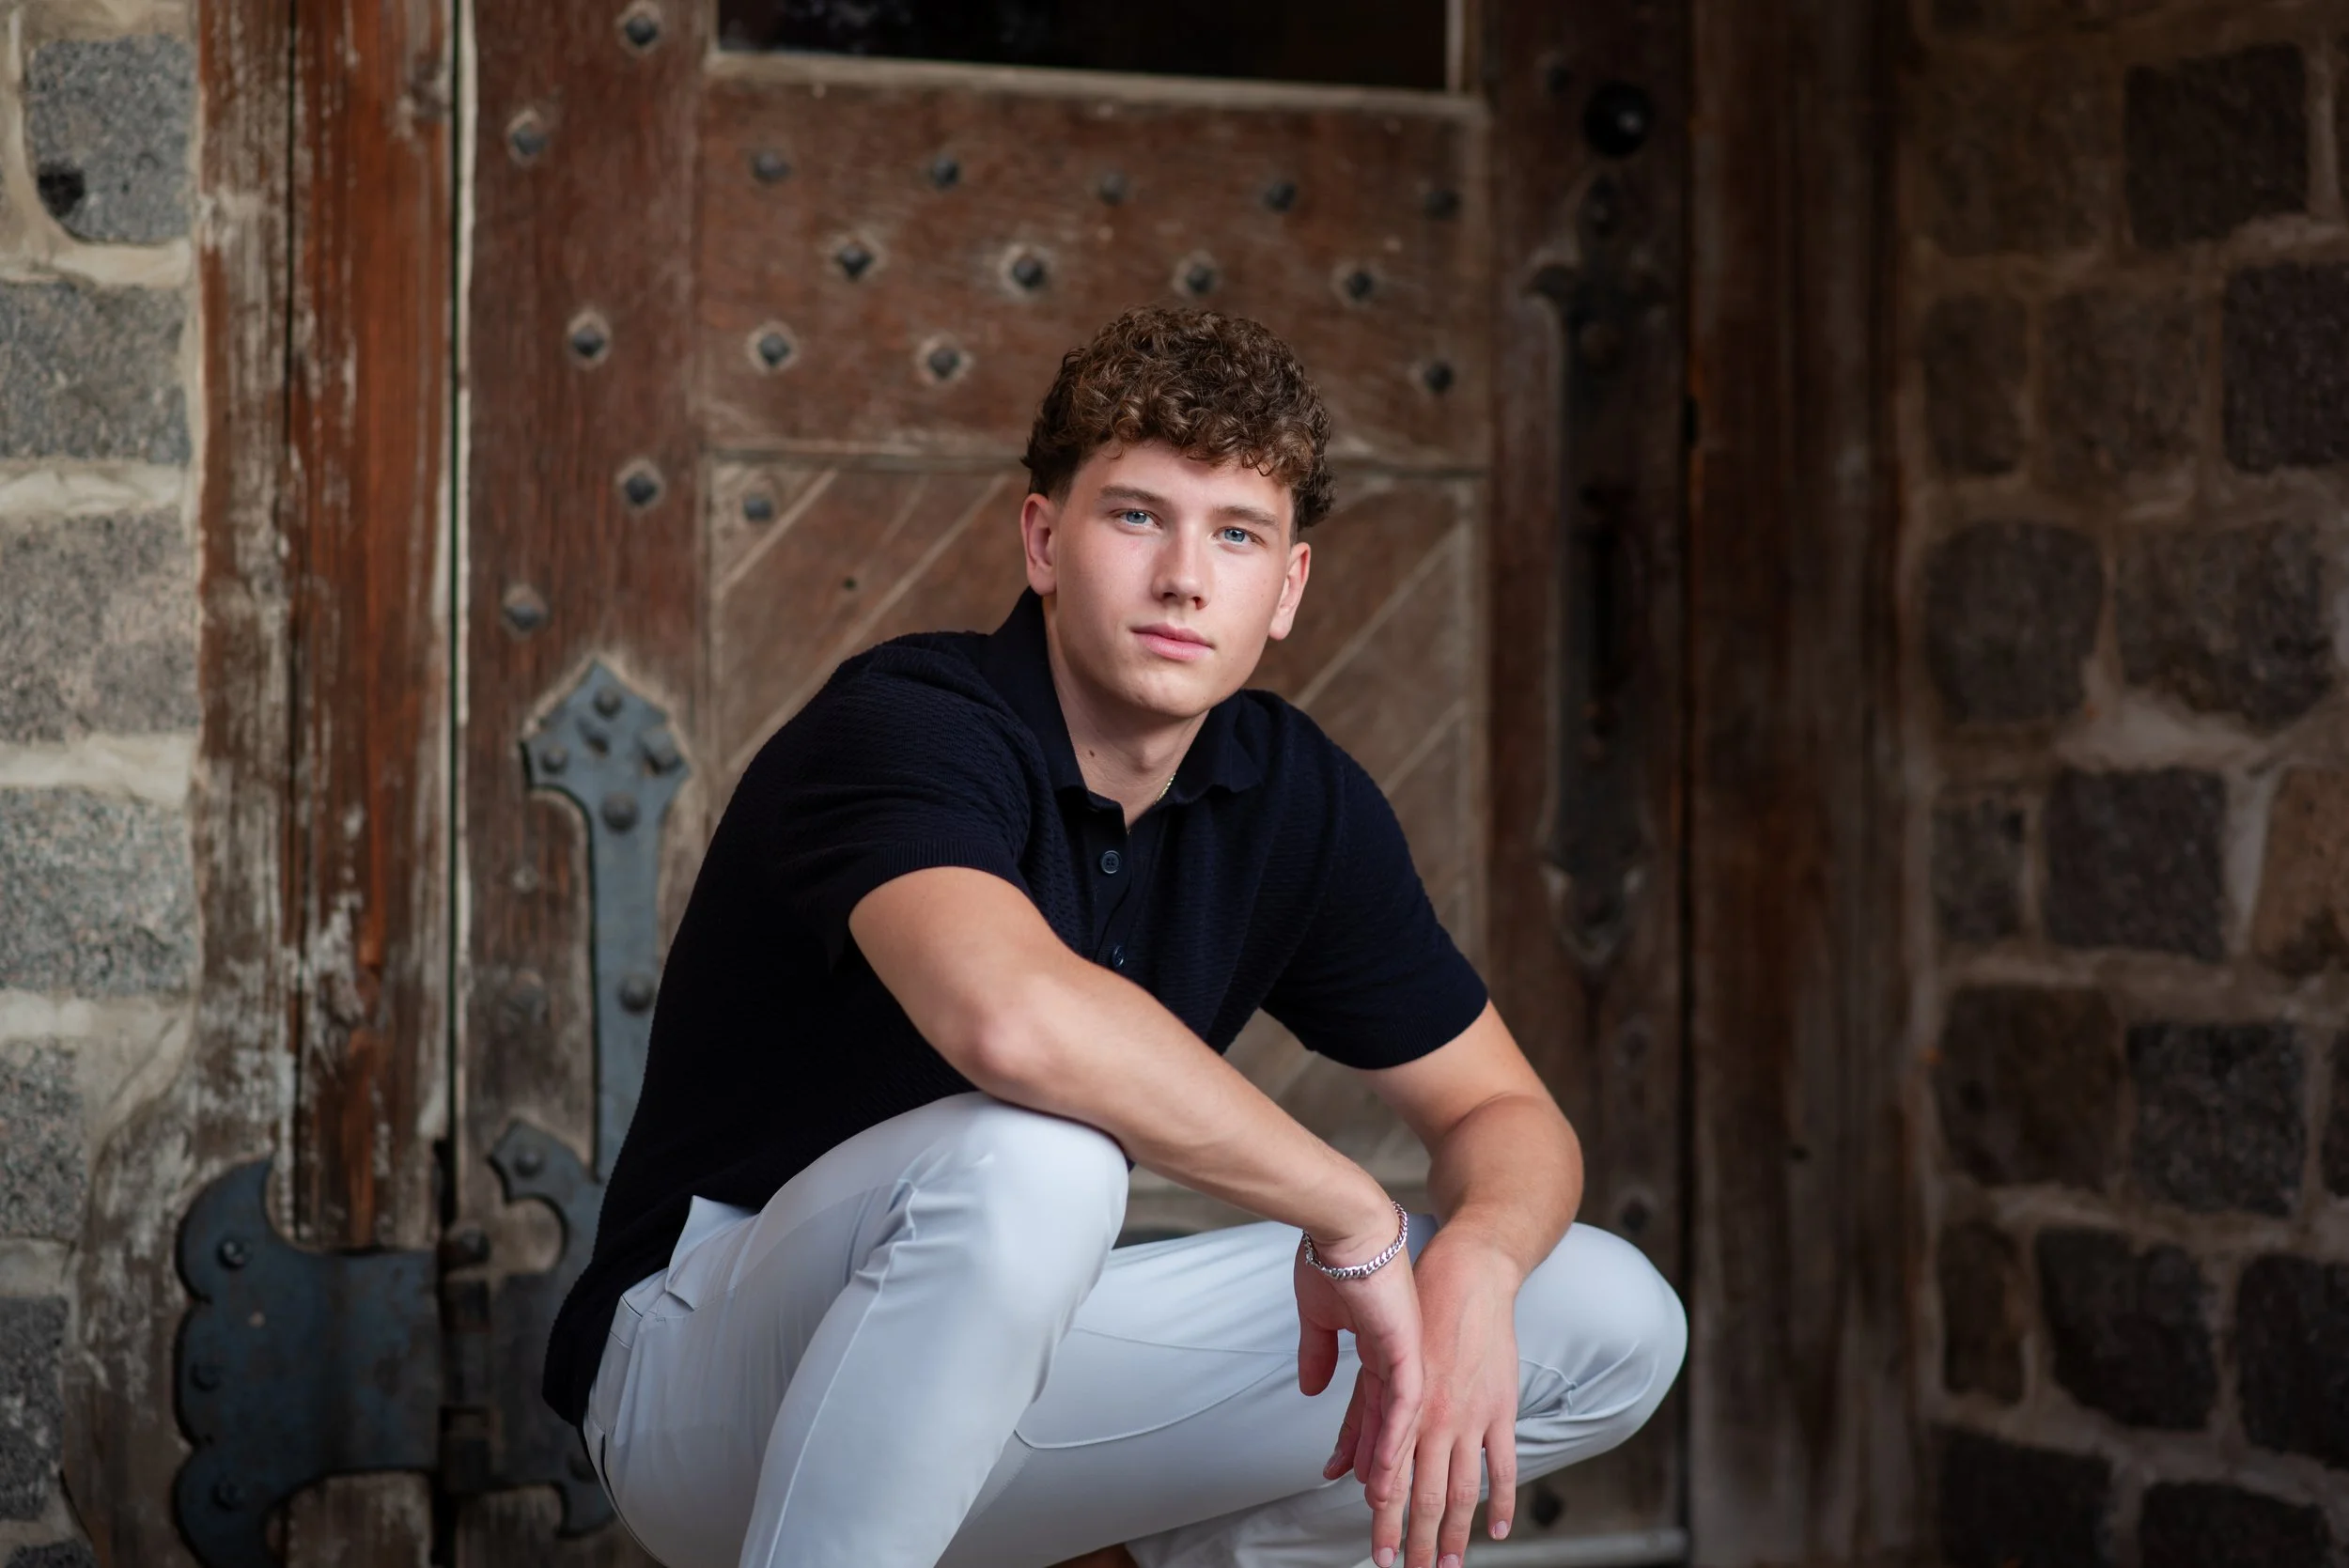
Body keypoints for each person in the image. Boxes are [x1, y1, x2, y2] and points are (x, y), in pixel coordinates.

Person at [542, 306, 1685, 1568]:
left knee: (1607, 1313)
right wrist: (1353, 1215)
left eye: (1238, 534)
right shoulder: (909, 722)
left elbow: (1504, 1114)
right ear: (1044, 540)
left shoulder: (1293, 798)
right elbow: (1012, 1019)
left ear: (1288, 587)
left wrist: (1478, 1261)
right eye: (1138, 516)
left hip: (1011, 1356)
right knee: (1039, 1159)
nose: (1186, 577)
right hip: (702, 1381)